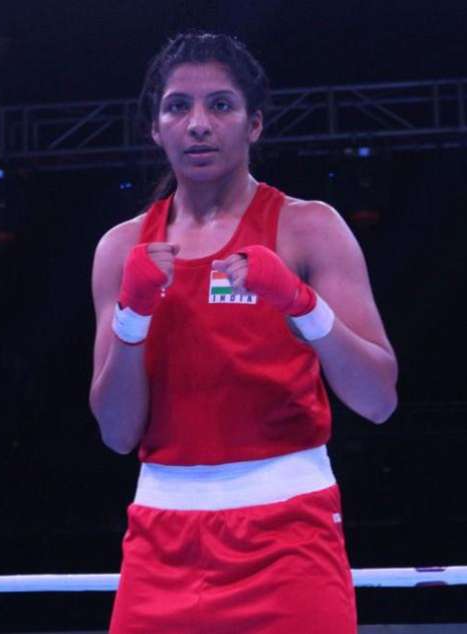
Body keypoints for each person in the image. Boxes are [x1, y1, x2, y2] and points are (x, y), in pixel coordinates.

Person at [89, 31, 397, 634]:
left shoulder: (309, 229)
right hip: (160, 539)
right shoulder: (121, 249)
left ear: (254, 124)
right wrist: (132, 316)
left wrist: (302, 305)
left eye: (220, 105)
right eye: (178, 106)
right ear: (155, 128)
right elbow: (118, 432)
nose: (198, 124)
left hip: (289, 536)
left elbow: (378, 400)